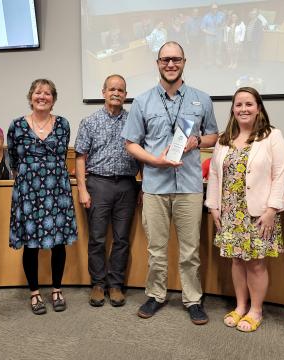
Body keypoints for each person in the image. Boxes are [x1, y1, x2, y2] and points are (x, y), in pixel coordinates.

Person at [121, 41, 219, 325]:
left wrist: (198, 141)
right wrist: (155, 161)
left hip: (189, 186)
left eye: (176, 59)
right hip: (155, 186)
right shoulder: (143, 101)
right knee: (156, 248)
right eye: (165, 60)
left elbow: (213, 135)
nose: (171, 64)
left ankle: (192, 299)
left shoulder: (202, 99)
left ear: (184, 62)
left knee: (190, 249)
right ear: (158, 63)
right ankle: (155, 295)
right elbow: (131, 143)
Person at [205, 87, 284, 332]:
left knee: (255, 263)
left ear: (259, 107)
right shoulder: (224, 139)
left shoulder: (271, 135)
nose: (243, 109)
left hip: (259, 213)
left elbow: (282, 173)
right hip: (230, 212)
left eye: (249, 104)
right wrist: (213, 207)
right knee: (236, 261)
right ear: (233, 109)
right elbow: (214, 175)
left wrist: (272, 209)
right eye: (238, 104)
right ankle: (241, 306)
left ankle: (256, 310)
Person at [7, 79, 77, 315]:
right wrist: (30, 178)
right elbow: (13, 162)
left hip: (57, 189)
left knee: (58, 243)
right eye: (38, 92)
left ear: (53, 99)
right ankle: (35, 293)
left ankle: (57, 289)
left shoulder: (63, 124)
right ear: (31, 96)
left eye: (47, 93)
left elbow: (62, 154)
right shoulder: (16, 125)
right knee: (31, 244)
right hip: (28, 191)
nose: (42, 97)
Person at [75, 74, 140, 307]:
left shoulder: (134, 121)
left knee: (122, 239)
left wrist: (142, 186)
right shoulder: (89, 122)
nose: (116, 93)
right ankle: (98, 284)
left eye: (121, 90)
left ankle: (115, 285)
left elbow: (141, 153)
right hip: (98, 184)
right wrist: (82, 189)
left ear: (125, 94)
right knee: (98, 238)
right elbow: (80, 157)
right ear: (103, 92)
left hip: (126, 185)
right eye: (112, 89)